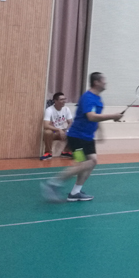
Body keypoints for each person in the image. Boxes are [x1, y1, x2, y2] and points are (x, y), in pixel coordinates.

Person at [41, 72, 123, 202]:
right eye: (103, 80)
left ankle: (75, 192)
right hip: (77, 137)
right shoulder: (88, 97)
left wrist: (100, 131)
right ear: (96, 82)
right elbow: (91, 116)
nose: (105, 82)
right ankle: (53, 184)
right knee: (84, 163)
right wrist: (113, 116)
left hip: (88, 138)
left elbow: (96, 117)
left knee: (91, 162)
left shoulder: (98, 99)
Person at [41, 92, 73, 160]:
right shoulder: (49, 110)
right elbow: (45, 125)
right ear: (55, 101)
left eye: (64, 99)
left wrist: (66, 130)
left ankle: (66, 151)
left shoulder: (66, 109)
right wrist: (58, 129)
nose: (64, 101)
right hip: (54, 132)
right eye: (61, 99)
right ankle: (48, 153)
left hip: (63, 131)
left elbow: (70, 122)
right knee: (47, 132)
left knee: (75, 131)